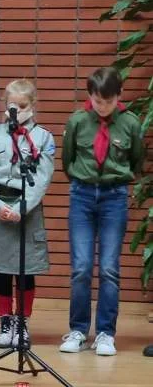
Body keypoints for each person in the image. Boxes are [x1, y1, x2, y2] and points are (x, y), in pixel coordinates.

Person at [60, 67, 143, 356]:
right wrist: (83, 181)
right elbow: (67, 161)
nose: (102, 107)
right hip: (82, 195)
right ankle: (78, 330)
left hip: (114, 196)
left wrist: (114, 180)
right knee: (81, 267)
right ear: (90, 96)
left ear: (118, 97)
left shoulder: (130, 124)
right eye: (97, 101)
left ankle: (106, 333)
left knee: (109, 268)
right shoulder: (78, 121)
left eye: (107, 101)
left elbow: (136, 162)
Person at [0, 79, 55, 348]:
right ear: (4, 105)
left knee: (24, 269)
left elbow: (42, 178)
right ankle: (5, 321)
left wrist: (22, 208)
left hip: (27, 210)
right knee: (1, 269)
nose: (17, 110)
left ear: (32, 106)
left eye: (22, 106)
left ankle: (22, 321)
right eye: (12, 105)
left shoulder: (43, 138)